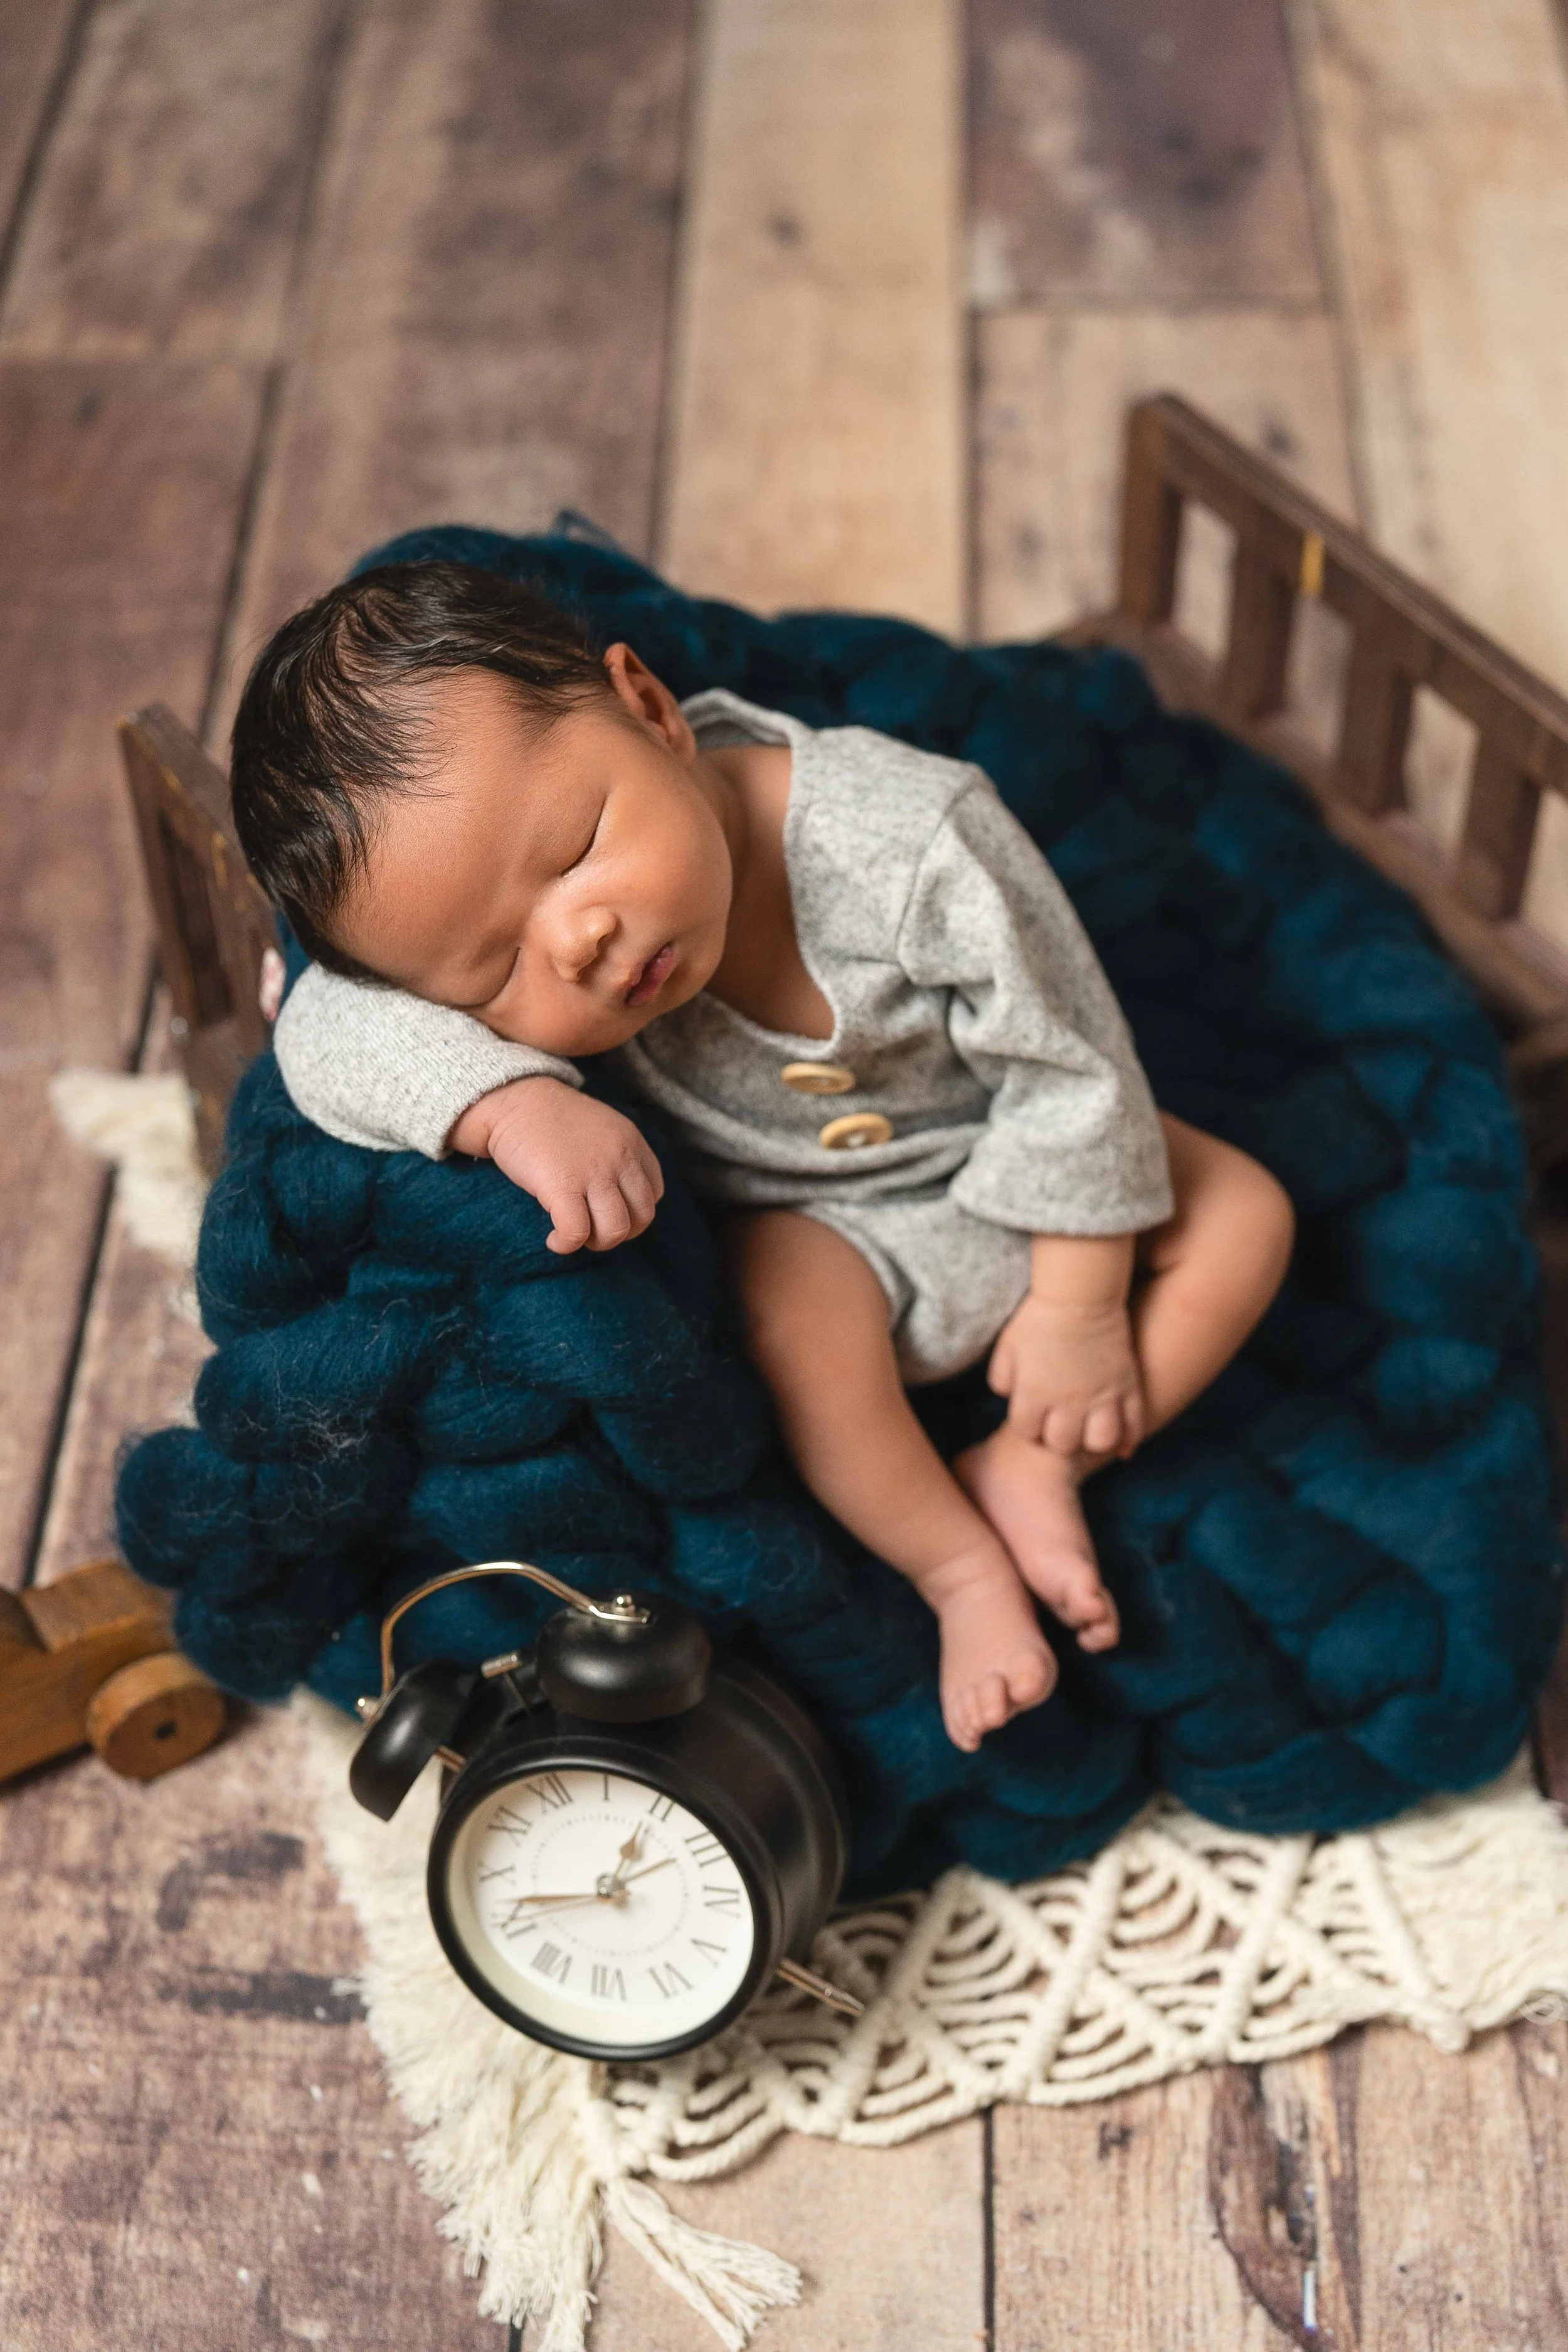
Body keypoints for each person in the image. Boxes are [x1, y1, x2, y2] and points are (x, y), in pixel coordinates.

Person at [231, 563, 1295, 1752]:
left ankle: (1036, 1465)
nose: (577, 940)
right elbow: (324, 1028)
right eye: (494, 973)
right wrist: (507, 1104)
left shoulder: (913, 840)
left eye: (579, 845)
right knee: (792, 1311)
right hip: (835, 1236)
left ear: (648, 709)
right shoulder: (495, 958)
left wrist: (1083, 1305)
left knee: (1247, 1212)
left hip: (1027, 1160)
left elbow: (1074, 1066)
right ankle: (956, 1567)